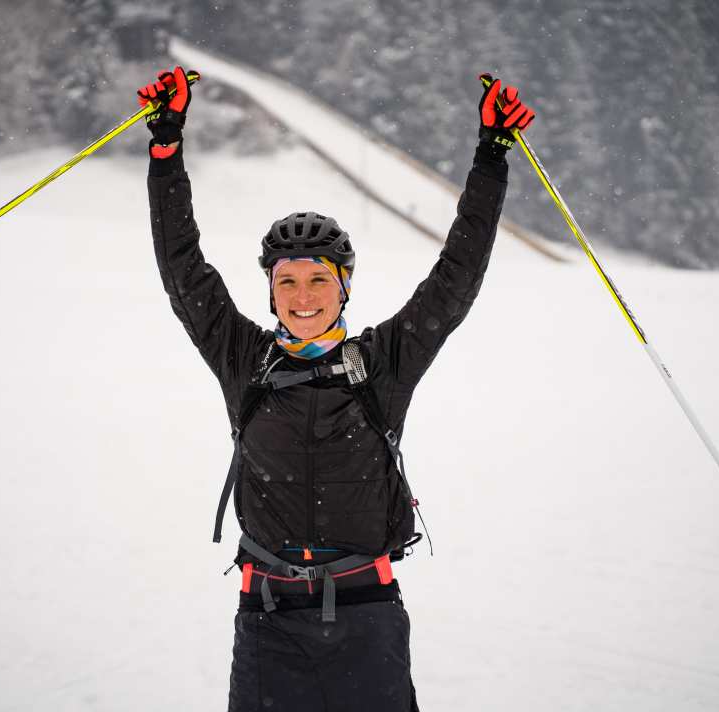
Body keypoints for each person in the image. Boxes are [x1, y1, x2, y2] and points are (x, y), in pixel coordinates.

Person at [138, 65, 534, 712]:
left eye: (318, 280)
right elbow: (183, 267)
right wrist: (165, 150)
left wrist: (491, 158)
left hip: (367, 620)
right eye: (287, 281)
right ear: (269, 288)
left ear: (344, 285)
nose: (302, 297)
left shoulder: (383, 363)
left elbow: (455, 274)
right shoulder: (244, 359)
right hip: (266, 621)